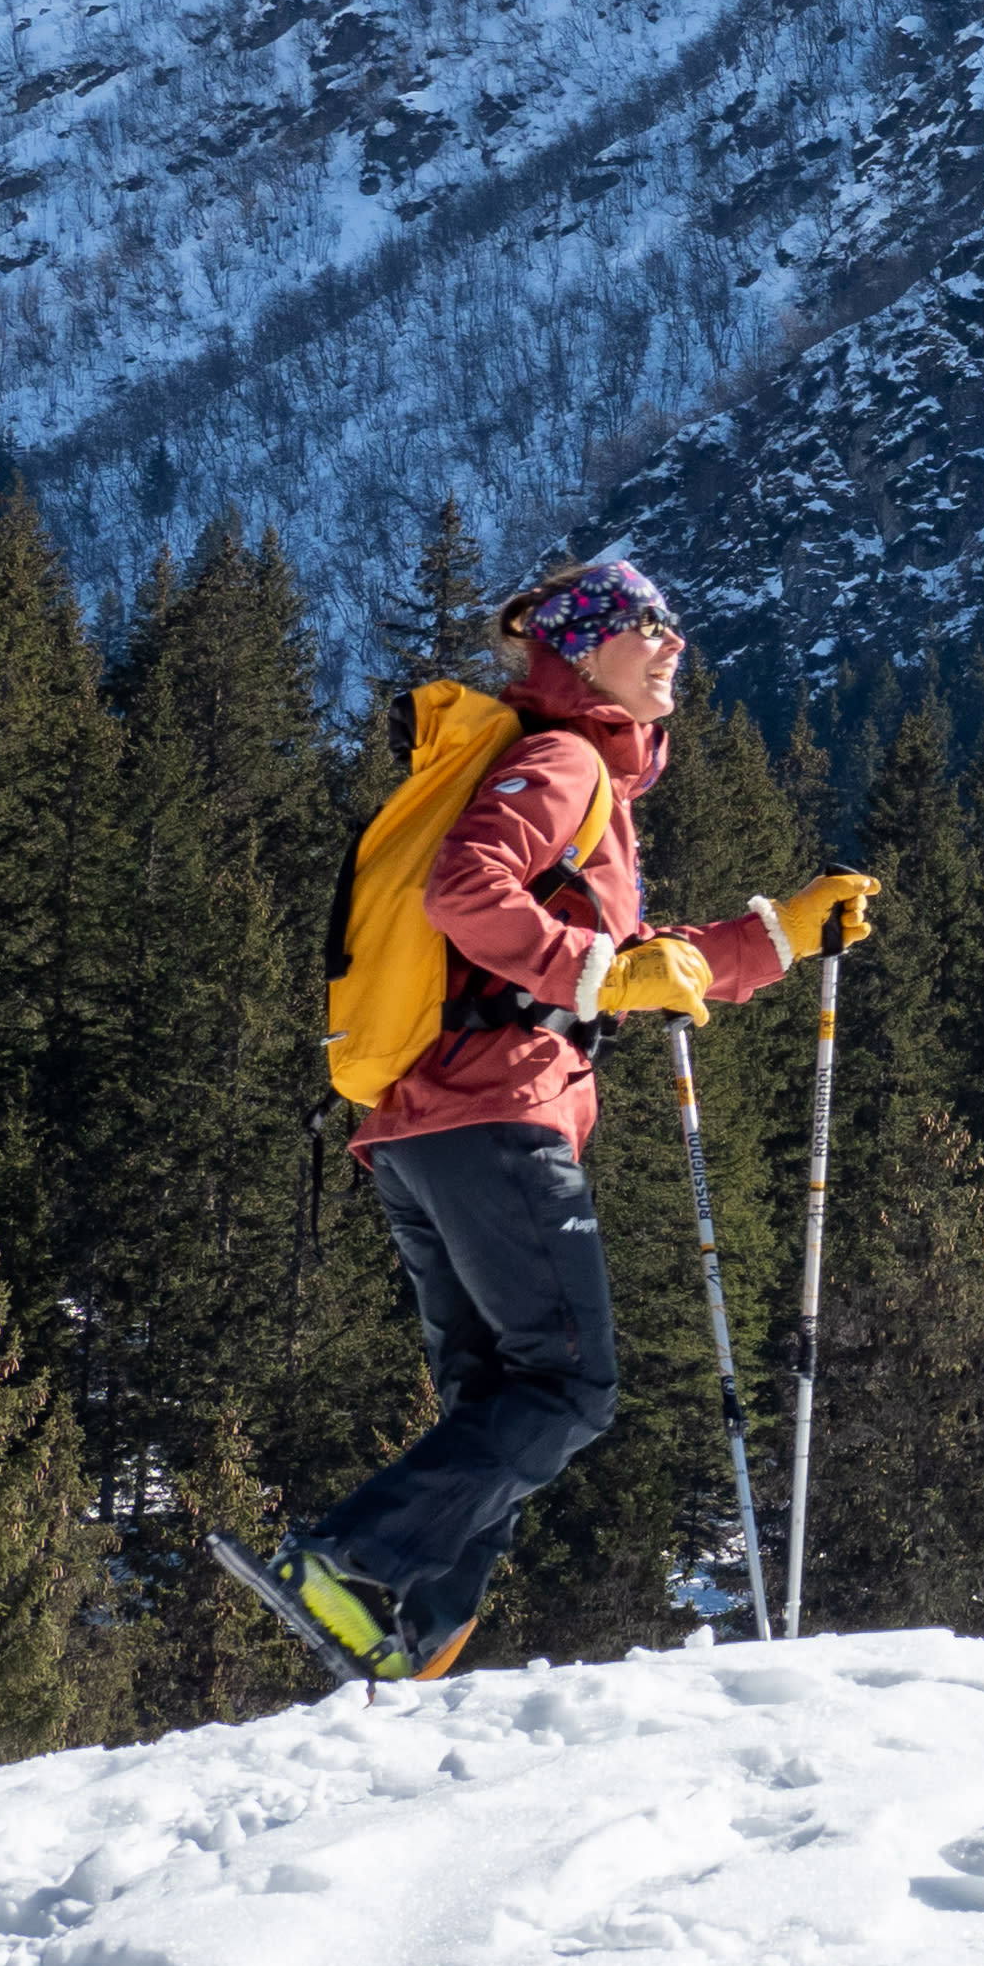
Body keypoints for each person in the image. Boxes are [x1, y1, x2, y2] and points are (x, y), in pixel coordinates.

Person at [257, 557, 874, 1677]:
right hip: (493, 1113)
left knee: (496, 1396)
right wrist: (597, 975)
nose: (674, 643)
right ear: (585, 650)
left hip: (424, 1127)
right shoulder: (562, 760)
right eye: (648, 625)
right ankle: (349, 1564)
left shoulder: (574, 773)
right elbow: (468, 893)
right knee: (569, 1384)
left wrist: (777, 938)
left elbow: (629, 962)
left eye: (676, 624)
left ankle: (407, 1633)